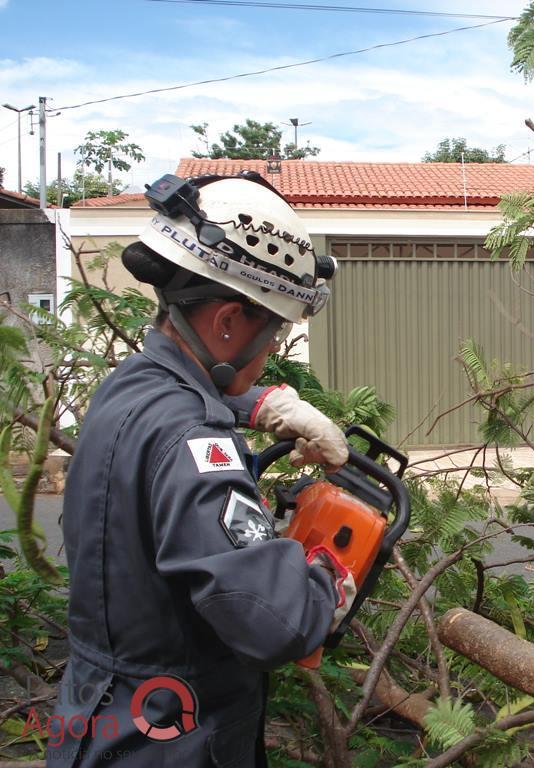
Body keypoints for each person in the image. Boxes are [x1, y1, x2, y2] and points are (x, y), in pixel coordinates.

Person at [48, 172, 357, 767]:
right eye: (271, 335)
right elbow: (272, 624)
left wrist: (261, 404)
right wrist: (326, 579)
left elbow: (170, 406)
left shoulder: (125, 387)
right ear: (226, 323)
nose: (271, 353)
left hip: (99, 719)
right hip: (169, 739)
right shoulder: (196, 442)